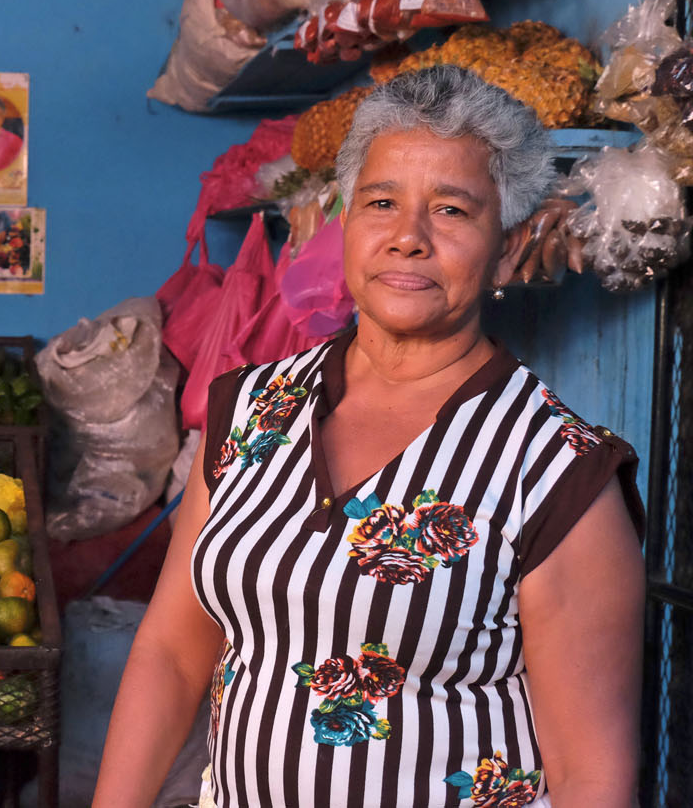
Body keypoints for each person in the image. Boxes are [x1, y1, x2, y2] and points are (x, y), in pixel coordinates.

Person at [93, 65, 645, 808]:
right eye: (382, 202)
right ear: (344, 219)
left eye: (452, 210)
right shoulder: (254, 410)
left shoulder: (554, 469)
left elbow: (592, 778)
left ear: (508, 245)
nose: (408, 237)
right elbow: (172, 650)